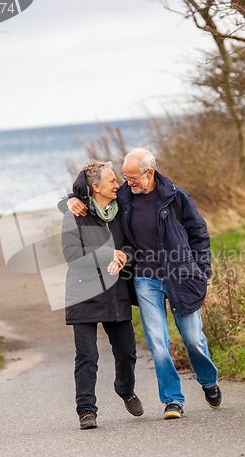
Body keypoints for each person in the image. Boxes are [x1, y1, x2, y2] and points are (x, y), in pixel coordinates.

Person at [67, 149, 222, 420]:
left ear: (149, 173)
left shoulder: (176, 197)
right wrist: (69, 199)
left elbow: (199, 233)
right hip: (145, 279)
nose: (127, 183)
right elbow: (89, 194)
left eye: (132, 177)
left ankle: (208, 381)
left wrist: (202, 270)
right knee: (158, 343)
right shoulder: (124, 198)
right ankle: (173, 400)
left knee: (194, 340)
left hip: (181, 276)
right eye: (123, 178)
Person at [58, 159, 143, 430]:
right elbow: (73, 256)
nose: (117, 185)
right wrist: (109, 253)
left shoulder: (121, 212)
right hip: (83, 292)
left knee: (127, 352)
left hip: (114, 292)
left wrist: (123, 258)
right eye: (111, 181)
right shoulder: (75, 214)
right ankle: (86, 411)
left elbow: (131, 247)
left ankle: (125, 389)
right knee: (87, 356)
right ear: (96, 187)